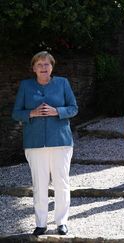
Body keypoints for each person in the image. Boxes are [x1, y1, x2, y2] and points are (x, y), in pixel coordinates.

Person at [12, 51, 78, 236]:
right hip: (34, 143)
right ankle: (41, 223)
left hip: (61, 142)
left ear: (52, 67)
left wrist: (57, 110)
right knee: (39, 184)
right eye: (39, 64)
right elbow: (16, 113)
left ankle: (62, 222)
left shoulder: (63, 83)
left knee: (61, 183)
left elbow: (74, 108)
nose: (43, 67)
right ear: (33, 68)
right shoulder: (26, 86)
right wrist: (31, 113)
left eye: (46, 64)